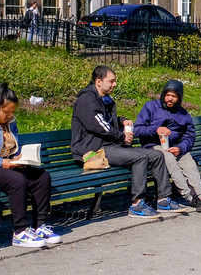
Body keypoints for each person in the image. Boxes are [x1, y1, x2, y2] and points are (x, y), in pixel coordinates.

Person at [0, 82, 60, 248]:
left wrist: (19, 158)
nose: (9, 116)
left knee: (42, 177)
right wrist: (1, 162)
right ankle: (20, 232)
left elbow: (12, 146)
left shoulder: (10, 122)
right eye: (6, 112)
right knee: (17, 181)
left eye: (12, 112)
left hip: (7, 165)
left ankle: (40, 226)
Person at [70, 65, 174, 219]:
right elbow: (99, 125)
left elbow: (108, 120)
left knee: (157, 155)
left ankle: (163, 200)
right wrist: (121, 136)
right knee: (140, 157)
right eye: (111, 81)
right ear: (98, 81)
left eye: (115, 81)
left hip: (108, 146)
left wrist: (123, 121)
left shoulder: (104, 99)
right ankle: (137, 205)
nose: (114, 84)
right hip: (95, 150)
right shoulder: (86, 99)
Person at [133, 80, 201, 212]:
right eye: (167, 95)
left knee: (188, 162)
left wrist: (181, 148)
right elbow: (137, 130)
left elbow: (190, 136)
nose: (169, 99)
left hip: (175, 147)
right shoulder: (150, 107)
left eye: (173, 96)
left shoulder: (183, 113)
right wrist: (156, 129)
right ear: (163, 94)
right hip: (153, 147)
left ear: (179, 98)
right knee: (169, 160)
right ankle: (190, 197)